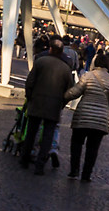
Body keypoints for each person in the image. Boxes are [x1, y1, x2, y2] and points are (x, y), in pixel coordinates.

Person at [21, 38, 75, 175]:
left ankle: (25, 159)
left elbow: (30, 82)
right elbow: (70, 90)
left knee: (31, 133)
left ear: (50, 49)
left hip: (37, 102)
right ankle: (40, 165)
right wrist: (62, 103)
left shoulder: (40, 62)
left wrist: (29, 96)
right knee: (48, 136)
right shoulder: (65, 68)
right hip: (54, 106)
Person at [63, 52, 109, 183]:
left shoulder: (88, 76)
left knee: (76, 143)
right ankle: (86, 174)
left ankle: (74, 169)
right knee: (93, 148)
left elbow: (75, 92)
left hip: (83, 116)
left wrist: (64, 96)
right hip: (101, 120)